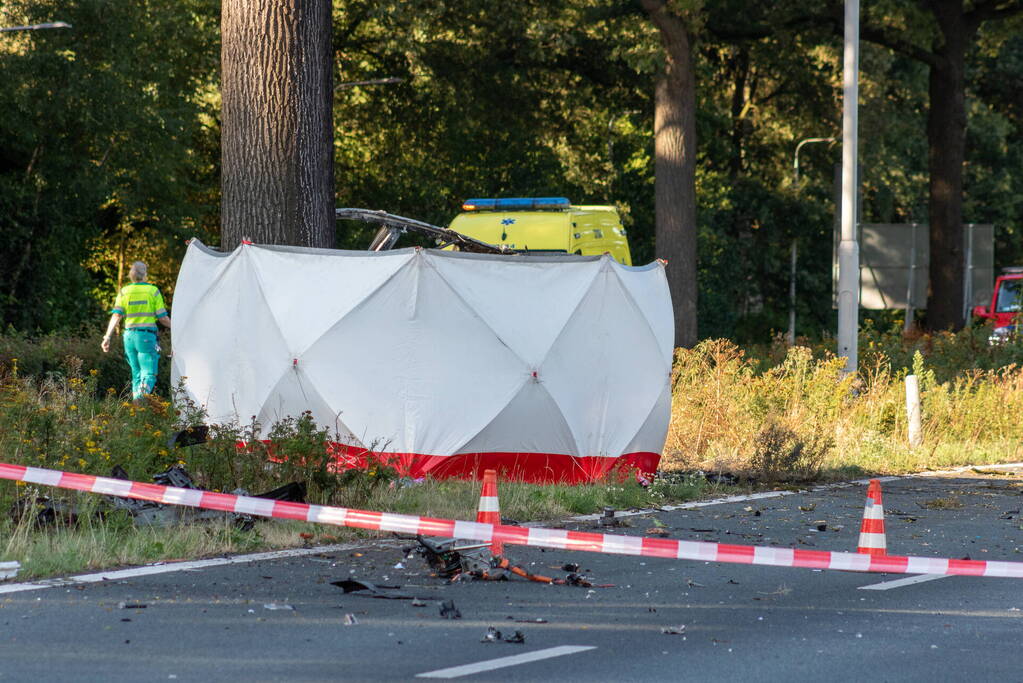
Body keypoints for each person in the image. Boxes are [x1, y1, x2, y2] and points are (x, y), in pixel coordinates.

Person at [101, 261, 172, 400]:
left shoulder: (124, 291)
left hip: (128, 337)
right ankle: (140, 401)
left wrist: (107, 337)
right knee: (149, 375)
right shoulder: (153, 291)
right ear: (145, 274)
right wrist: (177, 328)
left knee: (137, 375)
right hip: (145, 337)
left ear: (131, 275)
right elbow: (163, 318)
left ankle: (136, 412)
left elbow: (116, 316)